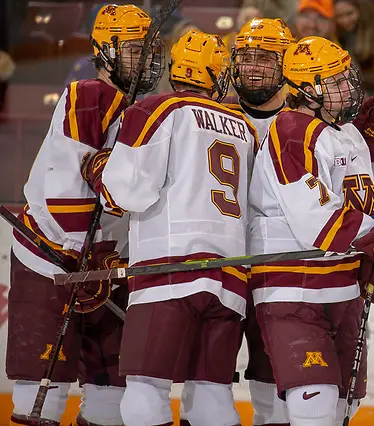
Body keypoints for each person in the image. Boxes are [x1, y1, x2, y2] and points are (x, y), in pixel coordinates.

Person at [81, 30, 257, 426]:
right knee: (213, 393)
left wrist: (99, 173)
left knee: (146, 389)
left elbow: (128, 194)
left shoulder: (156, 108)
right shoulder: (244, 126)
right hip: (230, 275)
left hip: (167, 268)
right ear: (216, 75)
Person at [7, 4, 164, 426]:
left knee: (109, 387)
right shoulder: (87, 95)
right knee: (45, 383)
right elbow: (64, 192)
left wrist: (117, 259)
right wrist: (81, 254)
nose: (147, 59)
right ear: (106, 51)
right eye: (135, 49)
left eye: (150, 50)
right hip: (54, 259)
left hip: (106, 264)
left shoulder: (149, 110)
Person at [248, 35, 374, 426]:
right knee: (316, 406)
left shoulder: (347, 132)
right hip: (293, 288)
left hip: (343, 288)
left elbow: (364, 204)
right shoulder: (291, 131)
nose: (349, 87)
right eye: (336, 82)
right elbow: (319, 223)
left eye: (347, 77)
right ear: (307, 91)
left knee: (343, 407)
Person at [229, 17, 295, 426]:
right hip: (220, 262)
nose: (253, 67)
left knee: (274, 371)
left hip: (278, 264)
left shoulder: (312, 124)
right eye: (247, 57)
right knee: (208, 376)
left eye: (266, 59)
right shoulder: (209, 115)